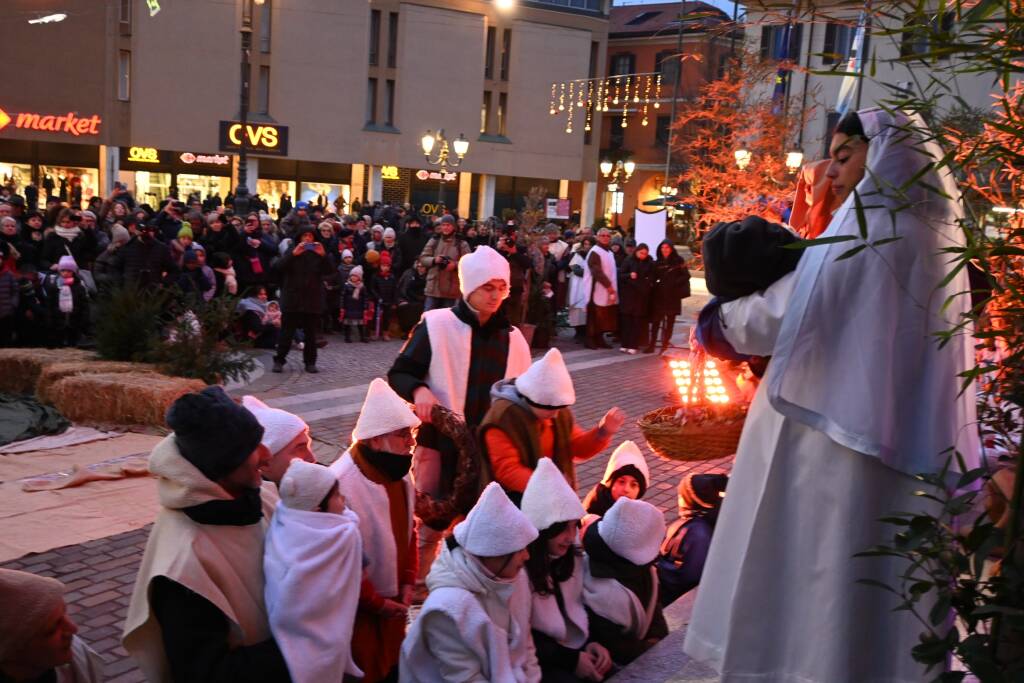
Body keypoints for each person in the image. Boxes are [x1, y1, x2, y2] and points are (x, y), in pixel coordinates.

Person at [682, 109, 980, 682]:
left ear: (889, 156)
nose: (832, 172)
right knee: (874, 589)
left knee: (820, 574)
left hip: (833, 449)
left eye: (845, 157)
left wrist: (715, 321)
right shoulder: (937, 235)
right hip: (907, 450)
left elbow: (774, 318)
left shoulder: (873, 231)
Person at [123, 387, 291, 683]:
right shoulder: (183, 565)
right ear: (221, 464)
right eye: (253, 448)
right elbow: (206, 673)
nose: (267, 455)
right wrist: (306, 643)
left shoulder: (262, 495)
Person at [388, 245, 532, 582]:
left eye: (502, 288)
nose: (495, 296)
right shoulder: (437, 325)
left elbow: (523, 395)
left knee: (476, 523)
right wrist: (419, 390)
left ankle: (463, 583)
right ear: (469, 288)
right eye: (488, 287)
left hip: (489, 449)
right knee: (429, 521)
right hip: (440, 443)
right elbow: (400, 372)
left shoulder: (514, 339)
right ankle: (417, 584)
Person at [400, 482, 541, 683]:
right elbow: (466, 677)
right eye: (519, 550)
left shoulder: (514, 576)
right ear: (494, 553)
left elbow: (525, 645)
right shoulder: (446, 609)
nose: (527, 556)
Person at [329, 378, 422, 683]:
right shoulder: (340, 484)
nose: (411, 443)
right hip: (360, 614)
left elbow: (409, 529)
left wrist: (408, 580)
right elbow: (340, 563)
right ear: (375, 440)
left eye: (411, 434)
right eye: (402, 435)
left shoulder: (399, 471)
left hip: (393, 606)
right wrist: (377, 603)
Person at [480, 347, 624, 502]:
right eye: (551, 409)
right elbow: (507, 470)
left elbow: (576, 446)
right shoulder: (503, 419)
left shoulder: (557, 411)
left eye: (560, 408)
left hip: (550, 500)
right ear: (533, 400)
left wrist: (603, 432)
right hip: (512, 503)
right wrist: (550, 486)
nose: (556, 415)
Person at [263, 459, 363, 683]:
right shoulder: (340, 536)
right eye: (337, 496)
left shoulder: (284, 516)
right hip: (313, 629)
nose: (343, 499)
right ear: (317, 509)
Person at [521, 459, 613, 682]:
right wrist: (571, 660)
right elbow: (522, 637)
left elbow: (579, 606)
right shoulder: (520, 570)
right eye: (563, 528)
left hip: (572, 650)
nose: (571, 537)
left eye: (574, 526)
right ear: (543, 528)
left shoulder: (572, 557)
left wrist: (592, 642)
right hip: (540, 662)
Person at [582, 497, 668, 666]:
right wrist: (649, 647)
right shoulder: (601, 591)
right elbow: (618, 648)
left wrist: (657, 635)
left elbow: (654, 609)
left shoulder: (645, 571)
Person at [0, 568, 104, 683]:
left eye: (64, 612)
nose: (73, 628)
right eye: (52, 630)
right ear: (12, 652)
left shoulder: (76, 653)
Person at [657, 473, 728, 606]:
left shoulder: (698, 533)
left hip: (671, 595)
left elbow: (691, 576)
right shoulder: (691, 523)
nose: (678, 499)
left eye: (681, 496)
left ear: (690, 499)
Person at [272, 225, 332, 374]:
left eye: (310, 236)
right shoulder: (292, 250)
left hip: (312, 300)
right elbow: (278, 267)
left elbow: (330, 271)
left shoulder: (318, 253)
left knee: (311, 334)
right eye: (305, 236)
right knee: (286, 333)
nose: (307, 239)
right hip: (292, 299)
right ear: (299, 237)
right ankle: (279, 360)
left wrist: (323, 256)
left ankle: (310, 363)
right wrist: (293, 254)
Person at [581, 440, 650, 519]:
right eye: (621, 482)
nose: (626, 489)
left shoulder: (632, 510)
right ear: (610, 483)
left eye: (633, 485)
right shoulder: (595, 514)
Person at [645, 239, 690, 354]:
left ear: (671, 249)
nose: (664, 250)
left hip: (673, 296)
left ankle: (665, 345)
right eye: (662, 247)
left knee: (670, 322)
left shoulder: (678, 261)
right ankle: (652, 344)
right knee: (656, 321)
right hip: (659, 296)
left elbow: (686, 275)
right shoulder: (657, 262)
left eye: (667, 247)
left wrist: (674, 282)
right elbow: (653, 277)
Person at [419, 214, 470, 311]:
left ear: (453, 226)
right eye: (443, 225)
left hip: (451, 289)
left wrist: (455, 265)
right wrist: (434, 260)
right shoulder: (434, 240)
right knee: (428, 317)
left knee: (448, 318)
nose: (445, 227)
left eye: (448, 225)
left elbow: (468, 263)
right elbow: (423, 258)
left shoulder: (461, 243)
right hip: (433, 287)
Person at [43, 256, 89, 348]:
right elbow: (49, 304)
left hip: (75, 321)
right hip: (57, 322)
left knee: (73, 344)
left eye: (69, 271)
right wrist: (50, 319)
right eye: (63, 270)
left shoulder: (79, 287)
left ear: (73, 272)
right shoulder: (54, 286)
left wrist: (83, 320)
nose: (66, 273)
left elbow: (84, 305)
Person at [582, 229, 617, 349]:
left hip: (606, 289)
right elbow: (597, 271)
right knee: (593, 316)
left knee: (603, 317)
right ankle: (589, 339)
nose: (605, 237)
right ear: (597, 237)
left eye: (608, 236)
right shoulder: (595, 252)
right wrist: (609, 286)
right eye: (603, 235)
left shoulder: (609, 252)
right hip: (595, 288)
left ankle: (599, 338)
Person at [618, 242, 654, 354]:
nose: (643, 255)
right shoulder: (628, 260)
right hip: (628, 296)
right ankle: (625, 344)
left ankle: (634, 345)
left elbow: (651, 278)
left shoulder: (649, 263)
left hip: (640, 296)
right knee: (626, 321)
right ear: (637, 251)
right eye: (641, 253)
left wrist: (645, 285)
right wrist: (629, 275)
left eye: (645, 253)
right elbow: (620, 275)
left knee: (636, 321)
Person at [566, 235, 594, 341]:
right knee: (577, 309)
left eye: (589, 244)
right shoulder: (578, 255)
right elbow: (575, 269)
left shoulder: (594, 255)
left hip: (589, 285)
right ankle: (578, 332)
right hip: (578, 285)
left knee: (586, 310)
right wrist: (589, 273)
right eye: (585, 244)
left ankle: (586, 332)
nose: (587, 246)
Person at [341, 264, 370, 343]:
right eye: (352, 275)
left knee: (360, 324)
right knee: (347, 323)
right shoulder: (347, 285)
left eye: (356, 276)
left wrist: (365, 307)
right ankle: (347, 337)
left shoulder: (362, 287)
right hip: (349, 307)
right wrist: (342, 306)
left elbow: (365, 298)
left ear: (359, 277)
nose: (353, 277)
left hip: (359, 307)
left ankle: (362, 337)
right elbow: (343, 296)